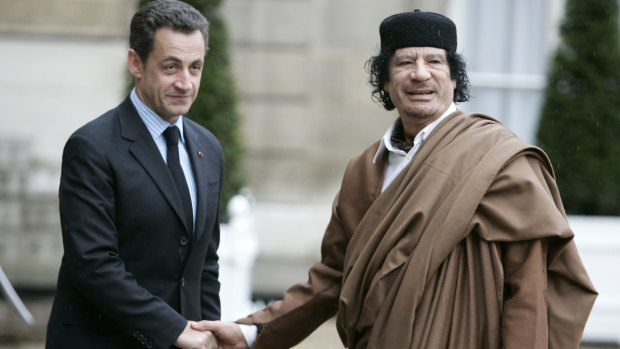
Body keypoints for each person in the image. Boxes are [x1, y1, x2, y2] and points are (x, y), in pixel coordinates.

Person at [192, 9, 597, 349]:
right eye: (404, 62)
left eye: (435, 62)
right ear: (385, 81)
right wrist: (250, 331)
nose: (420, 74)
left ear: (455, 79)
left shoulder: (499, 160)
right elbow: (333, 277)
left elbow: (527, 290)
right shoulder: (364, 169)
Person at [45, 1, 223, 348]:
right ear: (136, 63)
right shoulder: (91, 147)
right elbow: (94, 264)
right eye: (171, 67)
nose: (185, 83)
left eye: (195, 67)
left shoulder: (208, 147)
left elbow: (206, 262)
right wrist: (174, 330)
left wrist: (210, 332)